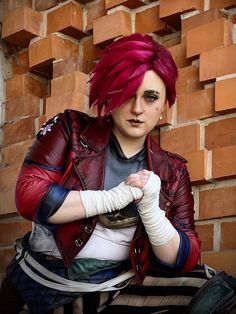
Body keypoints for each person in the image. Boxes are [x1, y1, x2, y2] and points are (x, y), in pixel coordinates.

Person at [0, 33, 201, 314]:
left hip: (118, 286)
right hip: (47, 285)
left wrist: (151, 211)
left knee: (213, 288)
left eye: (150, 96)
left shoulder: (173, 170)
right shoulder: (70, 129)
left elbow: (185, 257)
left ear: (165, 103)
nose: (138, 108)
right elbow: (28, 196)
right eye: (127, 93)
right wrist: (114, 197)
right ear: (110, 93)